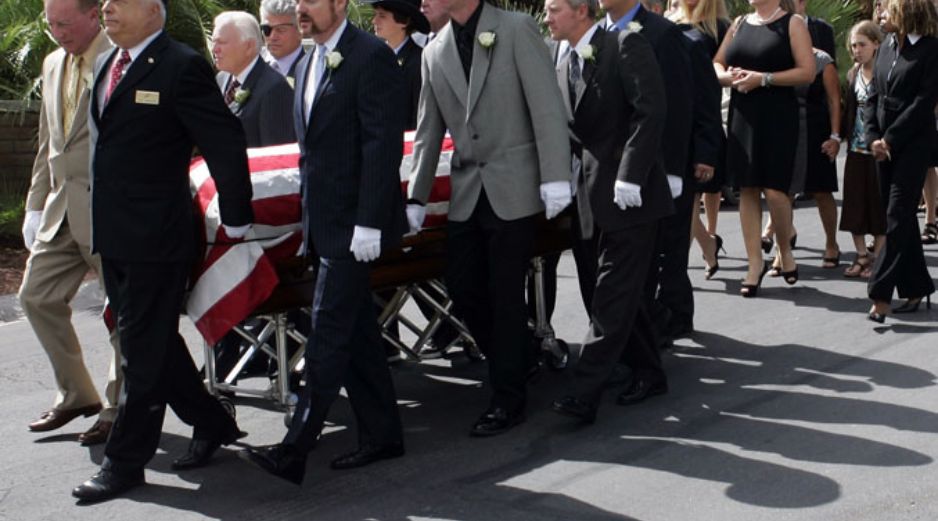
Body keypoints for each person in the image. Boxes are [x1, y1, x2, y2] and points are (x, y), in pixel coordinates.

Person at [71, 0, 254, 503]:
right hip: (115, 234)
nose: (106, 7)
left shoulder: (181, 65)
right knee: (148, 342)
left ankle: (125, 463)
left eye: (119, 1)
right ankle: (211, 420)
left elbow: (223, 140)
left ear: (153, 10)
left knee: (143, 353)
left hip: (157, 237)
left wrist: (237, 215)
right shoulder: (110, 63)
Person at [241, 0, 408, 484]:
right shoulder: (312, 59)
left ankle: (296, 448)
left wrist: (370, 223)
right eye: (297, 2)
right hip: (324, 224)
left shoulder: (369, 54)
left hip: (356, 226)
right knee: (355, 333)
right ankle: (383, 434)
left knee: (327, 334)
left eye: (312, 0)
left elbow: (382, 142)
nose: (301, 9)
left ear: (340, 4)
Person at [406, 0, 572, 437]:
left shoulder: (516, 28)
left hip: (515, 186)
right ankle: (520, 356)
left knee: (505, 293)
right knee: (463, 290)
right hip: (467, 191)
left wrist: (556, 176)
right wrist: (416, 195)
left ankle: (508, 398)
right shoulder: (433, 50)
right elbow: (428, 131)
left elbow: (546, 107)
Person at [544, 0, 670, 422]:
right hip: (586, 198)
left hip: (628, 197)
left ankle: (584, 393)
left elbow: (650, 111)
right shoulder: (561, 61)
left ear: (581, 11)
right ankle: (650, 372)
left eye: (554, 9)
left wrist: (631, 175)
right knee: (614, 295)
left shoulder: (624, 45)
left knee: (611, 298)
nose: (547, 18)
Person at [21, 0, 121, 448]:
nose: (57, 32)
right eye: (50, 24)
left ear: (93, 15)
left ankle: (118, 407)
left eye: (64, 23)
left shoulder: (120, 58)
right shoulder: (52, 62)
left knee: (123, 313)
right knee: (36, 296)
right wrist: (35, 205)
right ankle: (78, 394)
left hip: (110, 211)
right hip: (61, 210)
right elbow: (49, 143)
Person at [601, 0, 696, 343]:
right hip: (620, 164)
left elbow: (676, 104)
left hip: (657, 164)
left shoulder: (662, 33)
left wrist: (672, 169)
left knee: (664, 250)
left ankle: (670, 319)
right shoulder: (601, 33)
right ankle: (650, 322)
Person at [713, 0, 814, 297]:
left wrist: (764, 79)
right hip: (743, 114)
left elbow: (807, 72)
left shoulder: (792, 24)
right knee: (747, 187)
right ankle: (754, 264)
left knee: (774, 191)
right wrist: (728, 78)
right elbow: (716, 62)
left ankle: (785, 249)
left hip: (779, 116)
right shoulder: (740, 23)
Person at [865, 0, 938, 322]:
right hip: (881, 145)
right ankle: (917, 284)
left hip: (912, 145)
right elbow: (873, 96)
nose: (880, 15)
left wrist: (890, 138)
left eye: (886, 9)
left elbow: (924, 102)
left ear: (907, 12)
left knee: (896, 215)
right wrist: (872, 138)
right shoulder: (885, 48)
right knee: (902, 218)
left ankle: (880, 294)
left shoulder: (932, 50)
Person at [669, 0, 730, 281]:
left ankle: (688, 258)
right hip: (672, 120)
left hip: (702, 118)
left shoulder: (720, 28)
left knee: (690, 198)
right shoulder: (669, 22)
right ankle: (706, 243)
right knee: (681, 201)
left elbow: (717, 76)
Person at [838, 20, 886, 278]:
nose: (857, 50)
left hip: (878, 149)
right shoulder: (853, 74)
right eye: (854, 45)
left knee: (878, 205)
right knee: (854, 203)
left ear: (876, 44)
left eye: (862, 45)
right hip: (856, 148)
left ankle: (877, 256)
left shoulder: (884, 72)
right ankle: (861, 255)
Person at [212, 11, 295, 147]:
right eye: (214, 42)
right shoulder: (221, 78)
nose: (215, 49)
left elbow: (275, 156)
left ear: (249, 46)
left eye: (221, 42)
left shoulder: (275, 89)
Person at [366, 0, 429, 129]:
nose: (374, 21)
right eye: (375, 15)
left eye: (382, 16)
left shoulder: (418, 62)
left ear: (403, 21)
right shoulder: (374, 58)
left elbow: (419, 117)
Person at [260, 0, 306, 80]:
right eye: (266, 29)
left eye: (281, 29)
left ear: (300, 31)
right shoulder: (252, 62)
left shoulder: (313, 70)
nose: (272, 37)